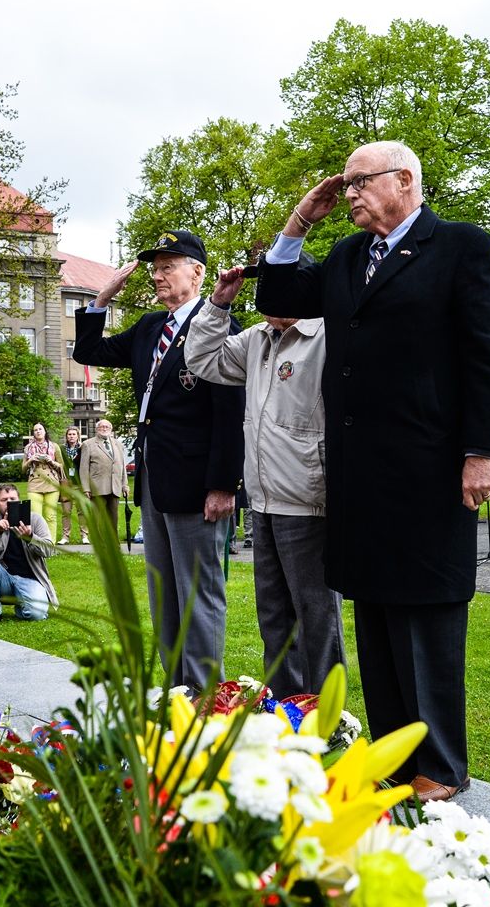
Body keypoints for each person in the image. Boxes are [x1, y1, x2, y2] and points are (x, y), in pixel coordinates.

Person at [254, 140, 490, 803]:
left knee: (425, 615)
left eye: (359, 183)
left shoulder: (460, 247)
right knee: (374, 615)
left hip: (430, 466)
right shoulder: (344, 257)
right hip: (359, 473)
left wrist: (481, 451)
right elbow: (277, 296)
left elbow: (488, 353)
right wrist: (297, 223)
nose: (349, 196)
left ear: (403, 179)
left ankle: (441, 766)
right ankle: (395, 758)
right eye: (344, 188)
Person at [72, 229, 245, 690]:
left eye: (168, 266)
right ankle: (177, 692)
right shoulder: (150, 327)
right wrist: (101, 298)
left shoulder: (218, 326)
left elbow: (230, 412)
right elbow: (87, 351)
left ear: (198, 272)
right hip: (153, 479)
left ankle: (207, 699)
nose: (157, 275)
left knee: (199, 595)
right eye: (154, 268)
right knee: (164, 594)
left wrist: (224, 484)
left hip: (196, 484)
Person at [186, 279, 346, 699]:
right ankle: (286, 709)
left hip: (307, 498)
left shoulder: (326, 333)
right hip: (263, 498)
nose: (267, 307)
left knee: (316, 617)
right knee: (273, 617)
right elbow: (202, 359)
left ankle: (326, 718)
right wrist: (218, 303)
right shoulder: (257, 338)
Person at [0, 483, 58, 623]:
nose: (9, 503)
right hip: (4, 579)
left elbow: (49, 550)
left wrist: (31, 537)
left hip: (30, 579)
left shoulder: (35, 520)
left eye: (12, 499)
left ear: (19, 500)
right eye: (4, 500)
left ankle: (23, 604)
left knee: (36, 615)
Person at [78, 419, 128, 536]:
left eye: (107, 427)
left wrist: (124, 485)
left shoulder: (118, 444)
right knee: (98, 519)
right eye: (101, 427)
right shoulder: (88, 444)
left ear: (111, 429)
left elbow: (122, 466)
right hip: (97, 488)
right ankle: (101, 545)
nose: (104, 429)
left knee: (113, 519)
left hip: (114, 487)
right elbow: (83, 469)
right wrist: (86, 488)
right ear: (96, 429)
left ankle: (114, 545)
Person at [22, 422, 64, 541]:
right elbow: (23, 469)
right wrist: (30, 460)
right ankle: (38, 543)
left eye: (40, 429)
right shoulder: (28, 448)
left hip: (51, 483)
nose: (38, 431)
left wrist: (51, 461)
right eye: (35, 430)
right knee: (36, 516)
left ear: (45, 431)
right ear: (33, 433)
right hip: (34, 483)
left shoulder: (54, 446)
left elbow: (61, 466)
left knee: (51, 516)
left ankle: (51, 544)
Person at [57, 426, 89, 545]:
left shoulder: (83, 448)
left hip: (79, 483)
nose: (71, 436)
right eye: (69, 434)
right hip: (66, 483)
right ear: (66, 436)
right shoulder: (61, 449)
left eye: (74, 434)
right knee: (66, 511)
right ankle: (65, 536)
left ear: (78, 436)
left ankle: (84, 535)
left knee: (82, 511)